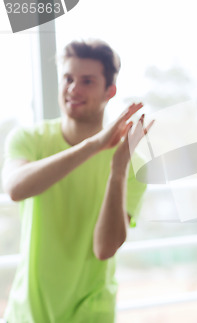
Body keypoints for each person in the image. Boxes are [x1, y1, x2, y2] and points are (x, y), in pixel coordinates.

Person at [1, 39, 152, 322]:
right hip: (28, 312)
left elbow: (104, 248)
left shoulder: (132, 166)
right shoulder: (29, 139)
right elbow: (15, 188)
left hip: (90, 313)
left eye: (87, 81)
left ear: (111, 91)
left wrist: (117, 170)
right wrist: (92, 146)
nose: (73, 88)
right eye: (68, 78)